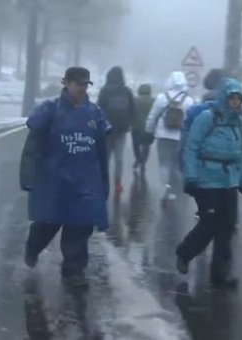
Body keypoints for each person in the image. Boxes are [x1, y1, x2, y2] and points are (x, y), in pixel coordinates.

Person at [21, 66, 111, 288]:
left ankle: (73, 270)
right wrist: (28, 176)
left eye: (85, 84)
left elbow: (101, 151)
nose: (81, 88)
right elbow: (32, 147)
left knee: (80, 226)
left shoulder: (94, 113)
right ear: (66, 83)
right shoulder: (49, 110)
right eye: (78, 83)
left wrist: (103, 181)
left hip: (84, 182)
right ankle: (32, 248)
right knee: (47, 224)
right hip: (54, 181)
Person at [175, 78, 242, 289]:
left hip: (229, 181)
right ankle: (184, 253)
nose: (235, 102)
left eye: (238, 99)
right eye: (232, 98)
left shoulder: (239, 122)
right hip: (206, 180)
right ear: (224, 98)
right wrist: (190, 177)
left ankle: (221, 274)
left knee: (227, 227)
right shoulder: (206, 118)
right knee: (209, 223)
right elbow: (191, 148)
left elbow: (241, 153)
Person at [145, 71, 195, 201]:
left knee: (164, 163)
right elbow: (193, 120)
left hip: (163, 135)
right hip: (180, 136)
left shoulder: (162, 97)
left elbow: (153, 115)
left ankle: (165, 188)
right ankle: (175, 188)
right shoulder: (189, 100)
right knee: (176, 164)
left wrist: (149, 130)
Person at [97, 66, 135, 194]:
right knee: (119, 158)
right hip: (121, 130)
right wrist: (129, 124)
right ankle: (118, 183)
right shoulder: (127, 91)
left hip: (107, 130)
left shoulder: (105, 91)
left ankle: (102, 182)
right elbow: (133, 109)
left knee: (105, 157)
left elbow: (98, 109)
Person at [132, 84, 155, 173]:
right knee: (146, 146)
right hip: (149, 127)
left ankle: (138, 159)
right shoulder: (153, 101)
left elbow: (131, 112)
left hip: (136, 127)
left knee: (136, 145)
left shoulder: (135, 100)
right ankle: (143, 162)